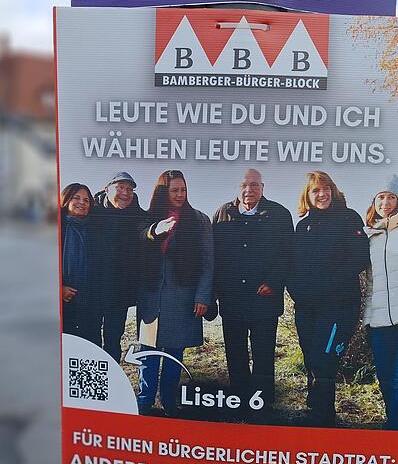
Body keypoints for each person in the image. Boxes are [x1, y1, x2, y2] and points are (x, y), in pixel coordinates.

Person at [287, 171, 370, 427]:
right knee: (311, 358)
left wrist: (327, 286)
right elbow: (293, 265)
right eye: (315, 190)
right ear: (307, 196)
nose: (321, 194)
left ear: (333, 191)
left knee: (325, 361)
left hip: (339, 306)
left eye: (326, 189)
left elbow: (359, 258)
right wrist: (297, 291)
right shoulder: (303, 225)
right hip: (307, 307)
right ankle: (313, 409)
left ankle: (324, 418)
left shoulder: (348, 218)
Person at [212, 168, 293, 415]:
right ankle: (239, 401)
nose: (249, 190)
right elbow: (214, 256)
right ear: (238, 188)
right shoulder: (222, 214)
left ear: (262, 188)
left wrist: (275, 282)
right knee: (235, 352)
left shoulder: (279, 214)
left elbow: (288, 254)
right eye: (245, 185)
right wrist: (216, 290)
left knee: (263, 353)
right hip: (232, 299)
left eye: (255, 185)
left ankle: (263, 404)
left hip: (264, 299)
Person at [137, 170, 213, 415]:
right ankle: (145, 400)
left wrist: (203, 296)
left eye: (183, 190)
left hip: (183, 297)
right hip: (152, 297)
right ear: (163, 192)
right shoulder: (148, 218)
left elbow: (207, 261)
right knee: (148, 350)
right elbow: (138, 237)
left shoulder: (199, 220)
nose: (180, 195)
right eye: (174, 190)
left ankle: (169, 400)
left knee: (174, 352)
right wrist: (155, 230)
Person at [363, 175, 398, 431]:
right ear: (374, 201)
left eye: (391, 196)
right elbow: (372, 282)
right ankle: (394, 425)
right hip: (380, 320)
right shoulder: (372, 235)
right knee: (384, 378)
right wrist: (367, 319)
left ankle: (393, 433)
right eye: (380, 197)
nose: (385, 202)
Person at [91, 172, 145, 362]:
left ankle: (112, 379)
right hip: (92, 290)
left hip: (119, 293)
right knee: (91, 339)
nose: (125, 193)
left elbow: (148, 233)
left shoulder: (139, 216)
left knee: (113, 340)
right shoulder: (91, 212)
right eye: (120, 187)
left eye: (129, 189)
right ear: (107, 189)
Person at [60, 183, 101, 345]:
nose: (82, 203)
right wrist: (59, 288)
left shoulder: (95, 229)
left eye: (86, 200)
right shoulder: (56, 227)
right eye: (76, 198)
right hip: (64, 302)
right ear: (66, 200)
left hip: (90, 302)